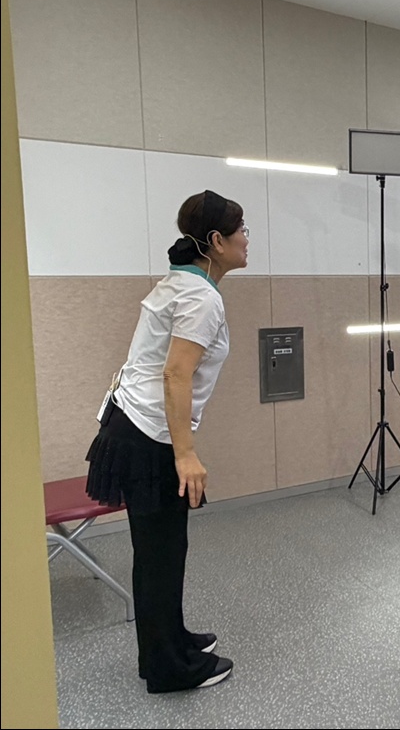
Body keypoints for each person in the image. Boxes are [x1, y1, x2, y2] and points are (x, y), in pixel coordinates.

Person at [85, 190, 249, 693]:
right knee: (160, 554)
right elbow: (176, 375)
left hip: (132, 426)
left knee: (162, 550)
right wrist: (186, 455)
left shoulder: (183, 283)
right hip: (148, 438)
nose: (247, 239)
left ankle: (170, 640)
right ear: (217, 241)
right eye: (241, 230)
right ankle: (168, 669)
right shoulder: (200, 297)